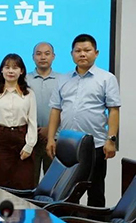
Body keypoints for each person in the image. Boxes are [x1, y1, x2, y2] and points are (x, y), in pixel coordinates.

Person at [47, 34, 120, 207]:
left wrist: (111, 140)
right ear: (72, 53)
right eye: (78, 51)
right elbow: (56, 110)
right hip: (68, 145)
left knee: (96, 192)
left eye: (87, 50)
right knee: (66, 193)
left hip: (96, 145)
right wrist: (51, 139)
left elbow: (113, 110)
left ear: (96, 53)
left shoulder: (106, 78)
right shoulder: (63, 79)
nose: (82, 54)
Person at [0, 54, 37, 190]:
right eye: (7, 67)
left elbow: (32, 122)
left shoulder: (29, 94)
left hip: (22, 139)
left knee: (23, 182)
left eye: (15, 68)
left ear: (22, 71)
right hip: (0, 140)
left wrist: (29, 145)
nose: (11, 71)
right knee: (0, 181)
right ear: (1, 70)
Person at [26, 42, 59, 185]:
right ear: (33, 57)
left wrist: (50, 130)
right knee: (29, 182)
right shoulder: (24, 80)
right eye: (38, 54)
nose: (43, 57)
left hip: (53, 139)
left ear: (53, 56)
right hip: (29, 139)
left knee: (52, 183)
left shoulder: (62, 80)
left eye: (47, 53)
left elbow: (66, 109)